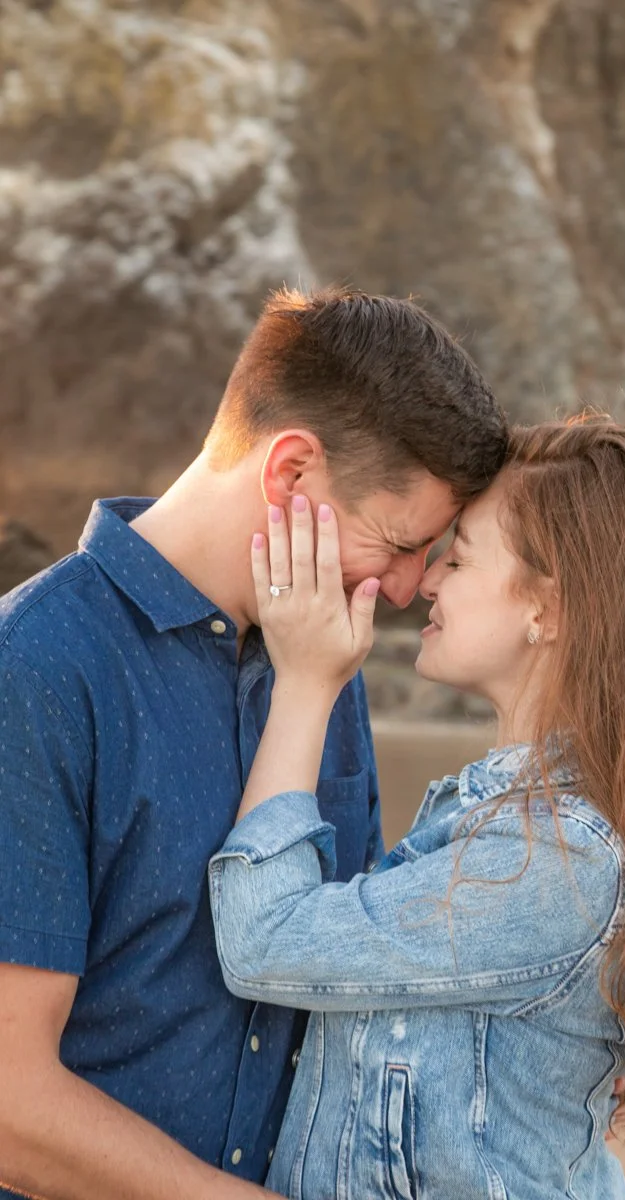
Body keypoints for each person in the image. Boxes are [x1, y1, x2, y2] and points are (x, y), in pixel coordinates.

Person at [0, 288, 508, 1200]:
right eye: (396, 544)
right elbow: (9, 1101)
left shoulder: (319, 654)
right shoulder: (31, 670)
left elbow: (345, 972)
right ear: (291, 471)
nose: (401, 593)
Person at [209, 416, 625, 1200]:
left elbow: (264, 940)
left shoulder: (555, 860)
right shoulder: (518, 827)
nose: (428, 581)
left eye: (460, 556)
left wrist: (306, 682)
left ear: (550, 608)